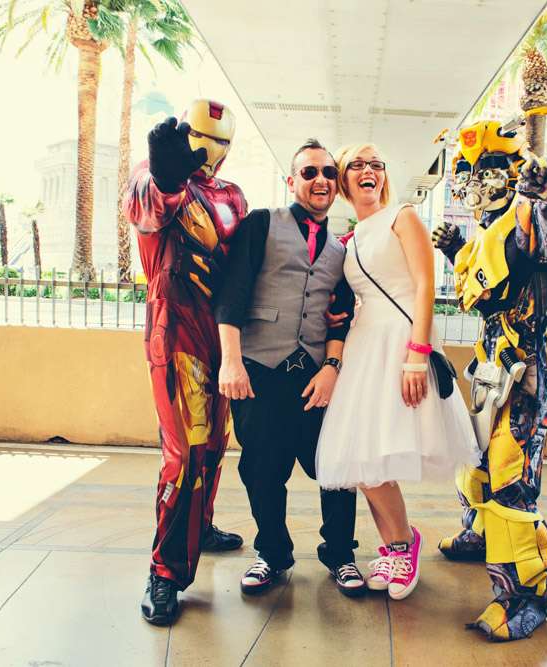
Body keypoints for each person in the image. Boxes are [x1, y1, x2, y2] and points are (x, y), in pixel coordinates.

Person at [431, 119, 547, 641]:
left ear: (514, 171)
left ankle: (528, 591)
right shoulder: (490, 226)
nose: (477, 181)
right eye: (468, 171)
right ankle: (479, 533)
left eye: (490, 169)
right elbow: (490, 284)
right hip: (493, 358)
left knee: (509, 473)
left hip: (528, 362)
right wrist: (456, 249)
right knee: (473, 457)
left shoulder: (528, 211)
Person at [315, 143, 480, 602]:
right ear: (344, 179)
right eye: (357, 165)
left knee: (378, 454)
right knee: (365, 460)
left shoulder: (402, 217)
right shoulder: (350, 239)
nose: (368, 170)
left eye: (376, 164)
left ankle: (404, 545)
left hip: (401, 342)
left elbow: (425, 285)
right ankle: (393, 546)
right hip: (364, 346)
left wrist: (417, 353)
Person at [216, 138, 365, 598]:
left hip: (314, 375)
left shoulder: (341, 250)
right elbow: (232, 292)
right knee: (262, 470)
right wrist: (231, 361)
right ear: (291, 180)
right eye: (309, 172)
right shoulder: (261, 224)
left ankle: (340, 554)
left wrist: (332, 367)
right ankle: (273, 554)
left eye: (328, 173)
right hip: (258, 370)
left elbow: (341, 314)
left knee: (335, 467)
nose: (320, 180)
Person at [123, 100, 247, 626]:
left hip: (222, 333)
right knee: (185, 452)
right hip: (175, 329)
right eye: (201, 136)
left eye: (220, 141)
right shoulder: (152, 178)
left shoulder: (232, 195)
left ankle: (202, 525)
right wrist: (166, 178)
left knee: (215, 444)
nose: (209, 149)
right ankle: (166, 571)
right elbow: (148, 209)